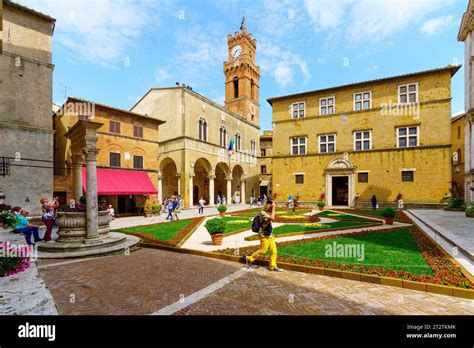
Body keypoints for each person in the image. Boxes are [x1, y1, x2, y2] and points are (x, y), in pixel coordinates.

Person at [245, 199, 283, 272]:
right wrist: (274, 208)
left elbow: (273, 218)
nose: (273, 209)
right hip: (263, 235)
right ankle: (249, 259)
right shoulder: (262, 213)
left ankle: (273, 266)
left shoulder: (268, 212)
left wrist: (273, 208)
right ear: (269, 206)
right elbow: (272, 218)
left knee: (274, 251)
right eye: (272, 207)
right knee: (263, 251)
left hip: (270, 235)